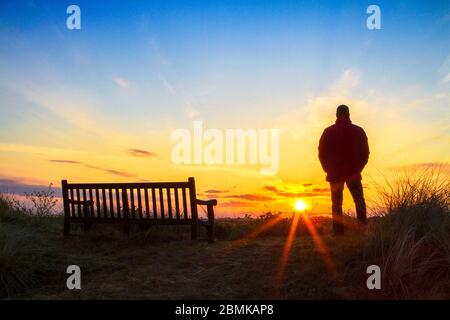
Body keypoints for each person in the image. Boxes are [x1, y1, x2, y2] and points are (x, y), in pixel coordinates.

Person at [318, 105, 370, 235]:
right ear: (348, 114)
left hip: (335, 174)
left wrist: (327, 169)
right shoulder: (358, 131)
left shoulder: (328, 131)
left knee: (336, 204)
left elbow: (321, 153)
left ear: (336, 115)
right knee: (359, 202)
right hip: (353, 173)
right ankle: (362, 231)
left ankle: (338, 233)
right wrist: (359, 169)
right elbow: (366, 153)